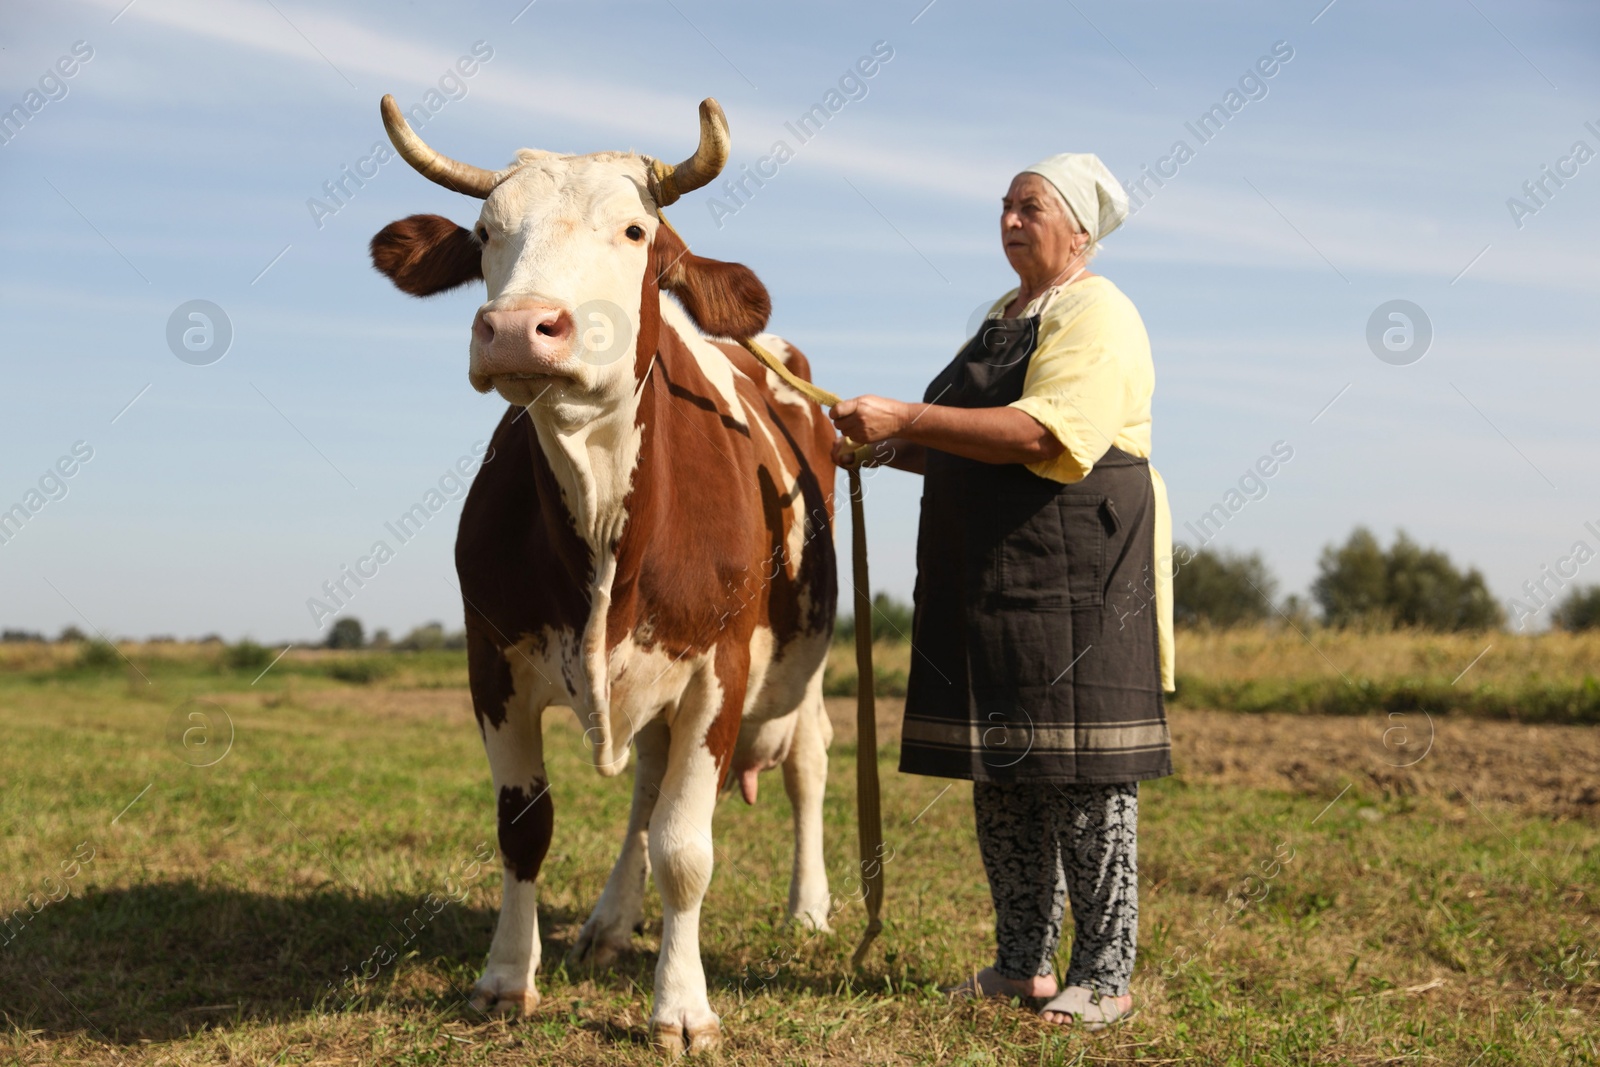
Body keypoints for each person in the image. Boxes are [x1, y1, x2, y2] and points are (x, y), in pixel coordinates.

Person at [829, 153, 1173, 1029]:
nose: (1011, 221)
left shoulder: (1101, 311)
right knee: (1007, 769)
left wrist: (904, 417)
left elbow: (1040, 430)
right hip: (992, 572)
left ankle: (1105, 975)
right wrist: (872, 445)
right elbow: (955, 439)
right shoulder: (1000, 317)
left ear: (1080, 231)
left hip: (1076, 573)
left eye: (1031, 207)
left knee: (1086, 773)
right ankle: (1022, 962)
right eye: (1005, 207)